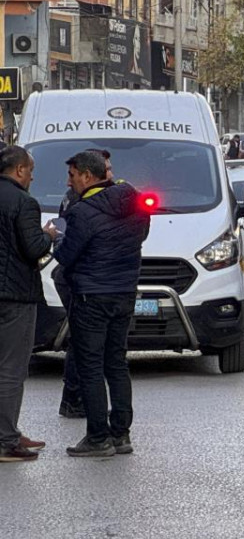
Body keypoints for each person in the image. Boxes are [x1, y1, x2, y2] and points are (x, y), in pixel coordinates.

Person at [54, 149, 151, 457]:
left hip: (91, 296)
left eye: (72, 176)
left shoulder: (81, 212)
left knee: (91, 366)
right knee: (117, 363)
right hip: (124, 293)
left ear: (87, 175)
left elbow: (66, 256)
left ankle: (98, 437)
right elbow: (140, 238)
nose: (69, 182)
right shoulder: (134, 206)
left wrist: (57, 238)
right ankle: (121, 434)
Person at [0, 147, 56, 462]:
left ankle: (7, 430)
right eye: (31, 170)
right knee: (11, 369)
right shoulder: (24, 202)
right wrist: (48, 235)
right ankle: (6, 441)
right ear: (20, 170)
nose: (33, 177)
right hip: (15, 296)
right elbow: (33, 247)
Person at [54, 150, 113, 418]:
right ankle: (74, 398)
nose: (110, 174)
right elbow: (68, 247)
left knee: (82, 340)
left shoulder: (91, 197)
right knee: (83, 341)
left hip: (85, 277)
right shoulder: (78, 199)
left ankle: (72, 397)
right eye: (107, 169)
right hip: (76, 278)